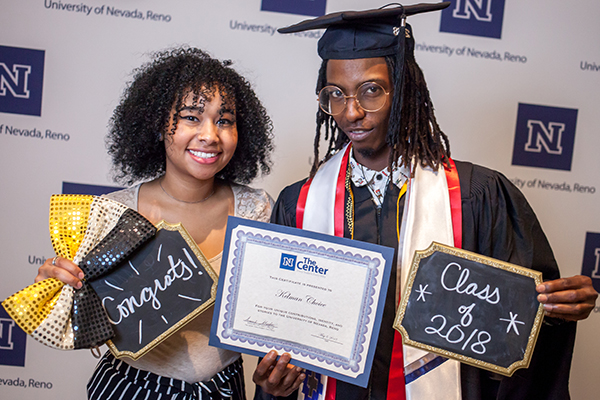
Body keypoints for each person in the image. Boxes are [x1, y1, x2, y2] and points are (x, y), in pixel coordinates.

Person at [253, 3, 598, 400]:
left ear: (404, 89)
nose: (351, 112)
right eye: (335, 94)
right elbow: (279, 339)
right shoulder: (298, 205)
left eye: (371, 90)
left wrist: (558, 312)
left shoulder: (477, 196)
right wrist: (276, 386)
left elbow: (521, 326)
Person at [35, 47, 275, 400]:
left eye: (225, 120)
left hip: (224, 388)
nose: (210, 134)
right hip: (130, 388)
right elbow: (80, 322)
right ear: (157, 122)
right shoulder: (110, 213)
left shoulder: (257, 210)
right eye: (192, 117)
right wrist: (54, 293)